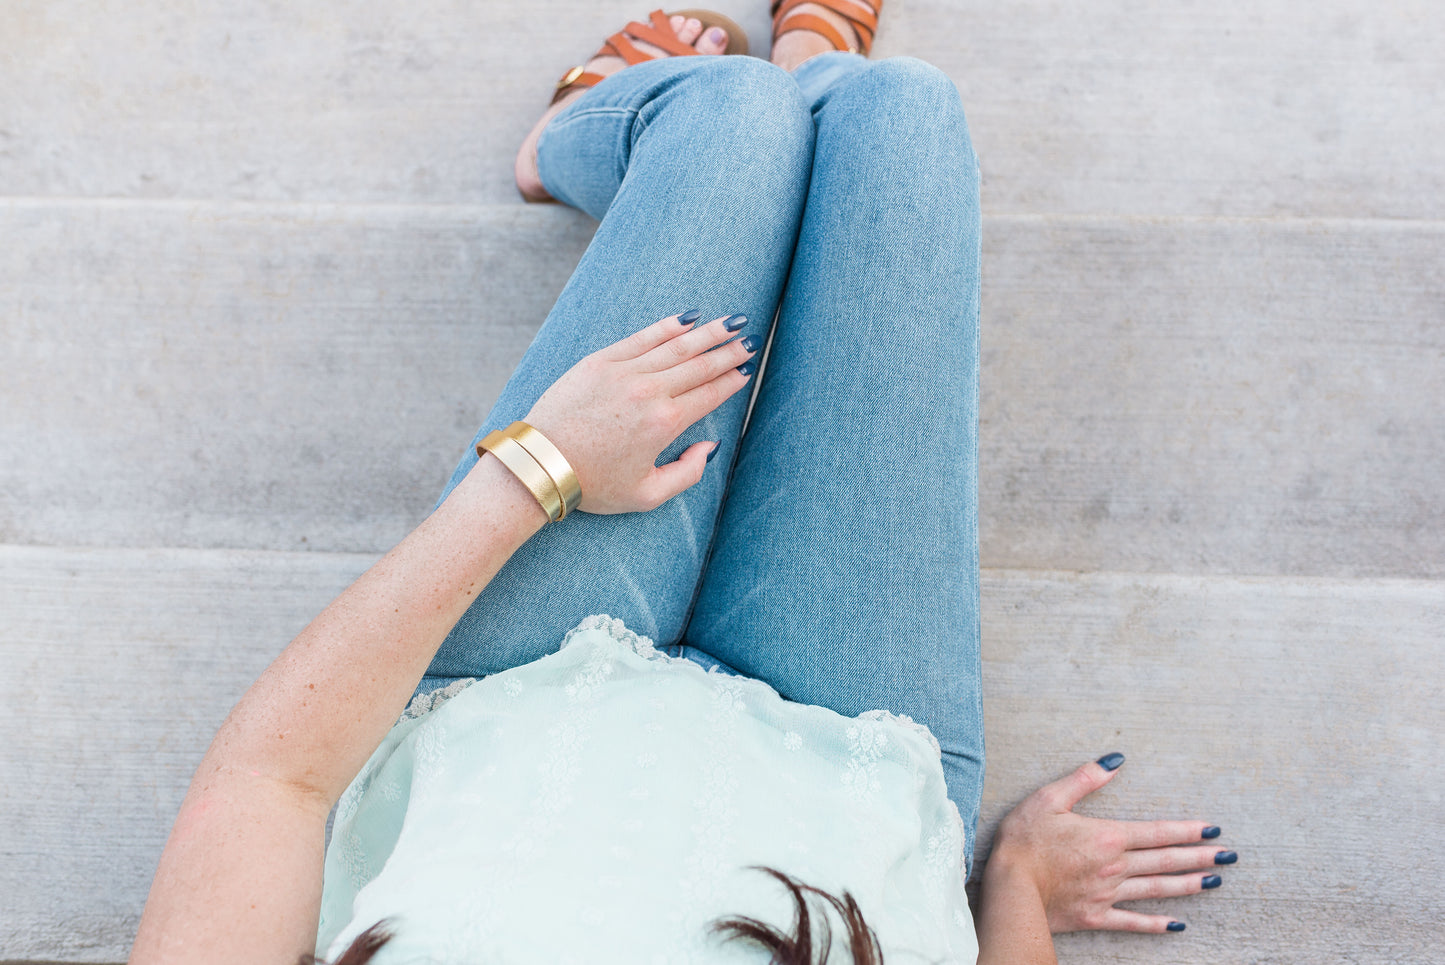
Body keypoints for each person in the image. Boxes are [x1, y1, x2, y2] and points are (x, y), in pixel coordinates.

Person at [131, 4, 1236, 963]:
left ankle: (576, 130)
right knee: (903, 116)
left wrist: (540, 463)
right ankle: (816, 66)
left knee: (730, 117)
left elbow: (267, 783)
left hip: (511, 693)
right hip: (863, 758)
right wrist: (1017, 882)